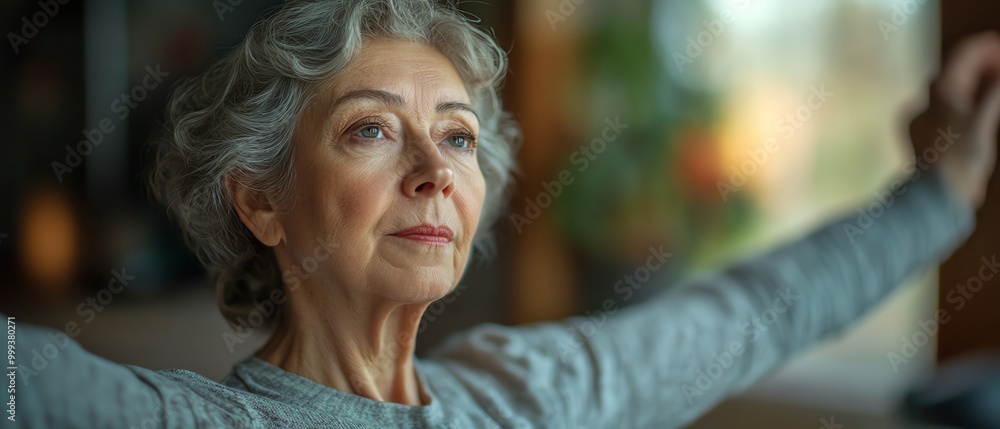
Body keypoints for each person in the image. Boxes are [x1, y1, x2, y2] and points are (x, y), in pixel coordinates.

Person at [10, 0, 1000, 427]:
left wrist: (942, 187)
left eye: (456, 137)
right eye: (369, 131)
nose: (435, 170)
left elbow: (753, 313)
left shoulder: (533, 398)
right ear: (260, 199)